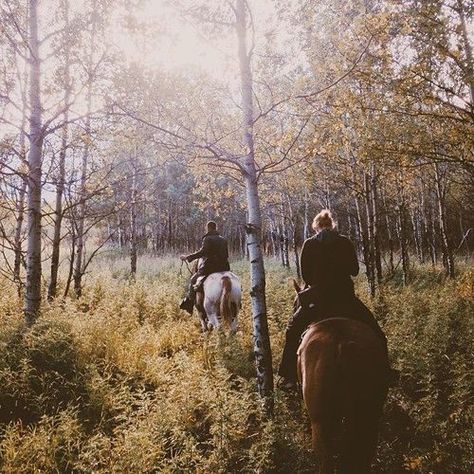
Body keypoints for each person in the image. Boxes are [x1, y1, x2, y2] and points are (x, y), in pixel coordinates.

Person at [278, 209, 398, 389]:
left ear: (316, 227)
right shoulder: (345, 242)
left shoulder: (309, 244)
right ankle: (386, 373)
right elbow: (355, 271)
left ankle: (288, 378)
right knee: (377, 333)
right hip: (345, 299)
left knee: (292, 332)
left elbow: (307, 277)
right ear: (332, 225)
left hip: (317, 301)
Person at [179, 221, 230, 314]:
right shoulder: (223, 239)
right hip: (224, 268)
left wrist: (188, 257)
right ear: (216, 228)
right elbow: (226, 255)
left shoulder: (207, 239)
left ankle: (189, 303)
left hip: (210, 267)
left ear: (208, 228)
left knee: (193, 280)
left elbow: (203, 252)